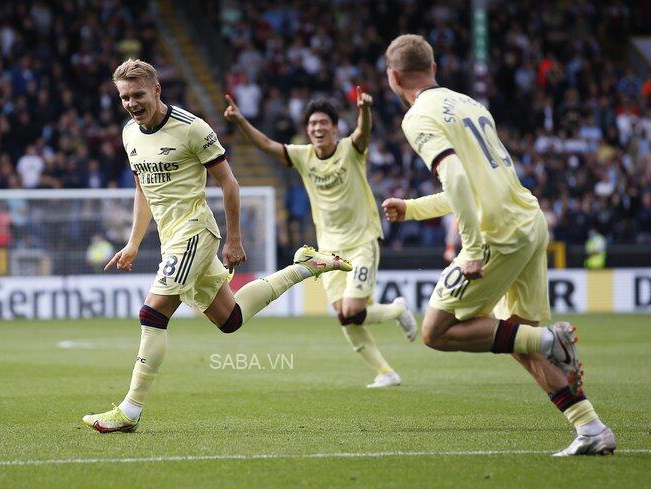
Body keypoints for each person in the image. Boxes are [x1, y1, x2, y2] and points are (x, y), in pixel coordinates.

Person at [82, 59, 352, 433]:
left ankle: (130, 409)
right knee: (231, 319)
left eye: (138, 95)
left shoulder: (192, 129)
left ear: (157, 90)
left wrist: (235, 238)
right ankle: (307, 265)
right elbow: (142, 189)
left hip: (195, 233)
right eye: (125, 97)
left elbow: (229, 183)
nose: (131, 103)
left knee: (152, 315)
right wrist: (132, 243)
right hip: (171, 239)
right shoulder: (130, 133)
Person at [381, 34, 615, 456]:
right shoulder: (470, 103)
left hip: (495, 235)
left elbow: (453, 177)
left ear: (394, 77)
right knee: (516, 340)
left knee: (437, 331)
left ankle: (551, 341)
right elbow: (475, 184)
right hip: (527, 220)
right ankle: (591, 428)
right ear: (433, 68)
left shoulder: (418, 116)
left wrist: (470, 248)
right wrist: (413, 209)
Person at [225, 89, 417, 389]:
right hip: (328, 249)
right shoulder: (303, 156)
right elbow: (266, 144)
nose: (317, 128)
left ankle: (397, 310)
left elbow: (363, 133)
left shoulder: (350, 149)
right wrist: (240, 121)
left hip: (362, 241)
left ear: (335, 127)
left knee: (353, 310)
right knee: (344, 315)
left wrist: (365, 110)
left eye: (323, 123)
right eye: (312, 123)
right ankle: (385, 372)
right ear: (308, 129)